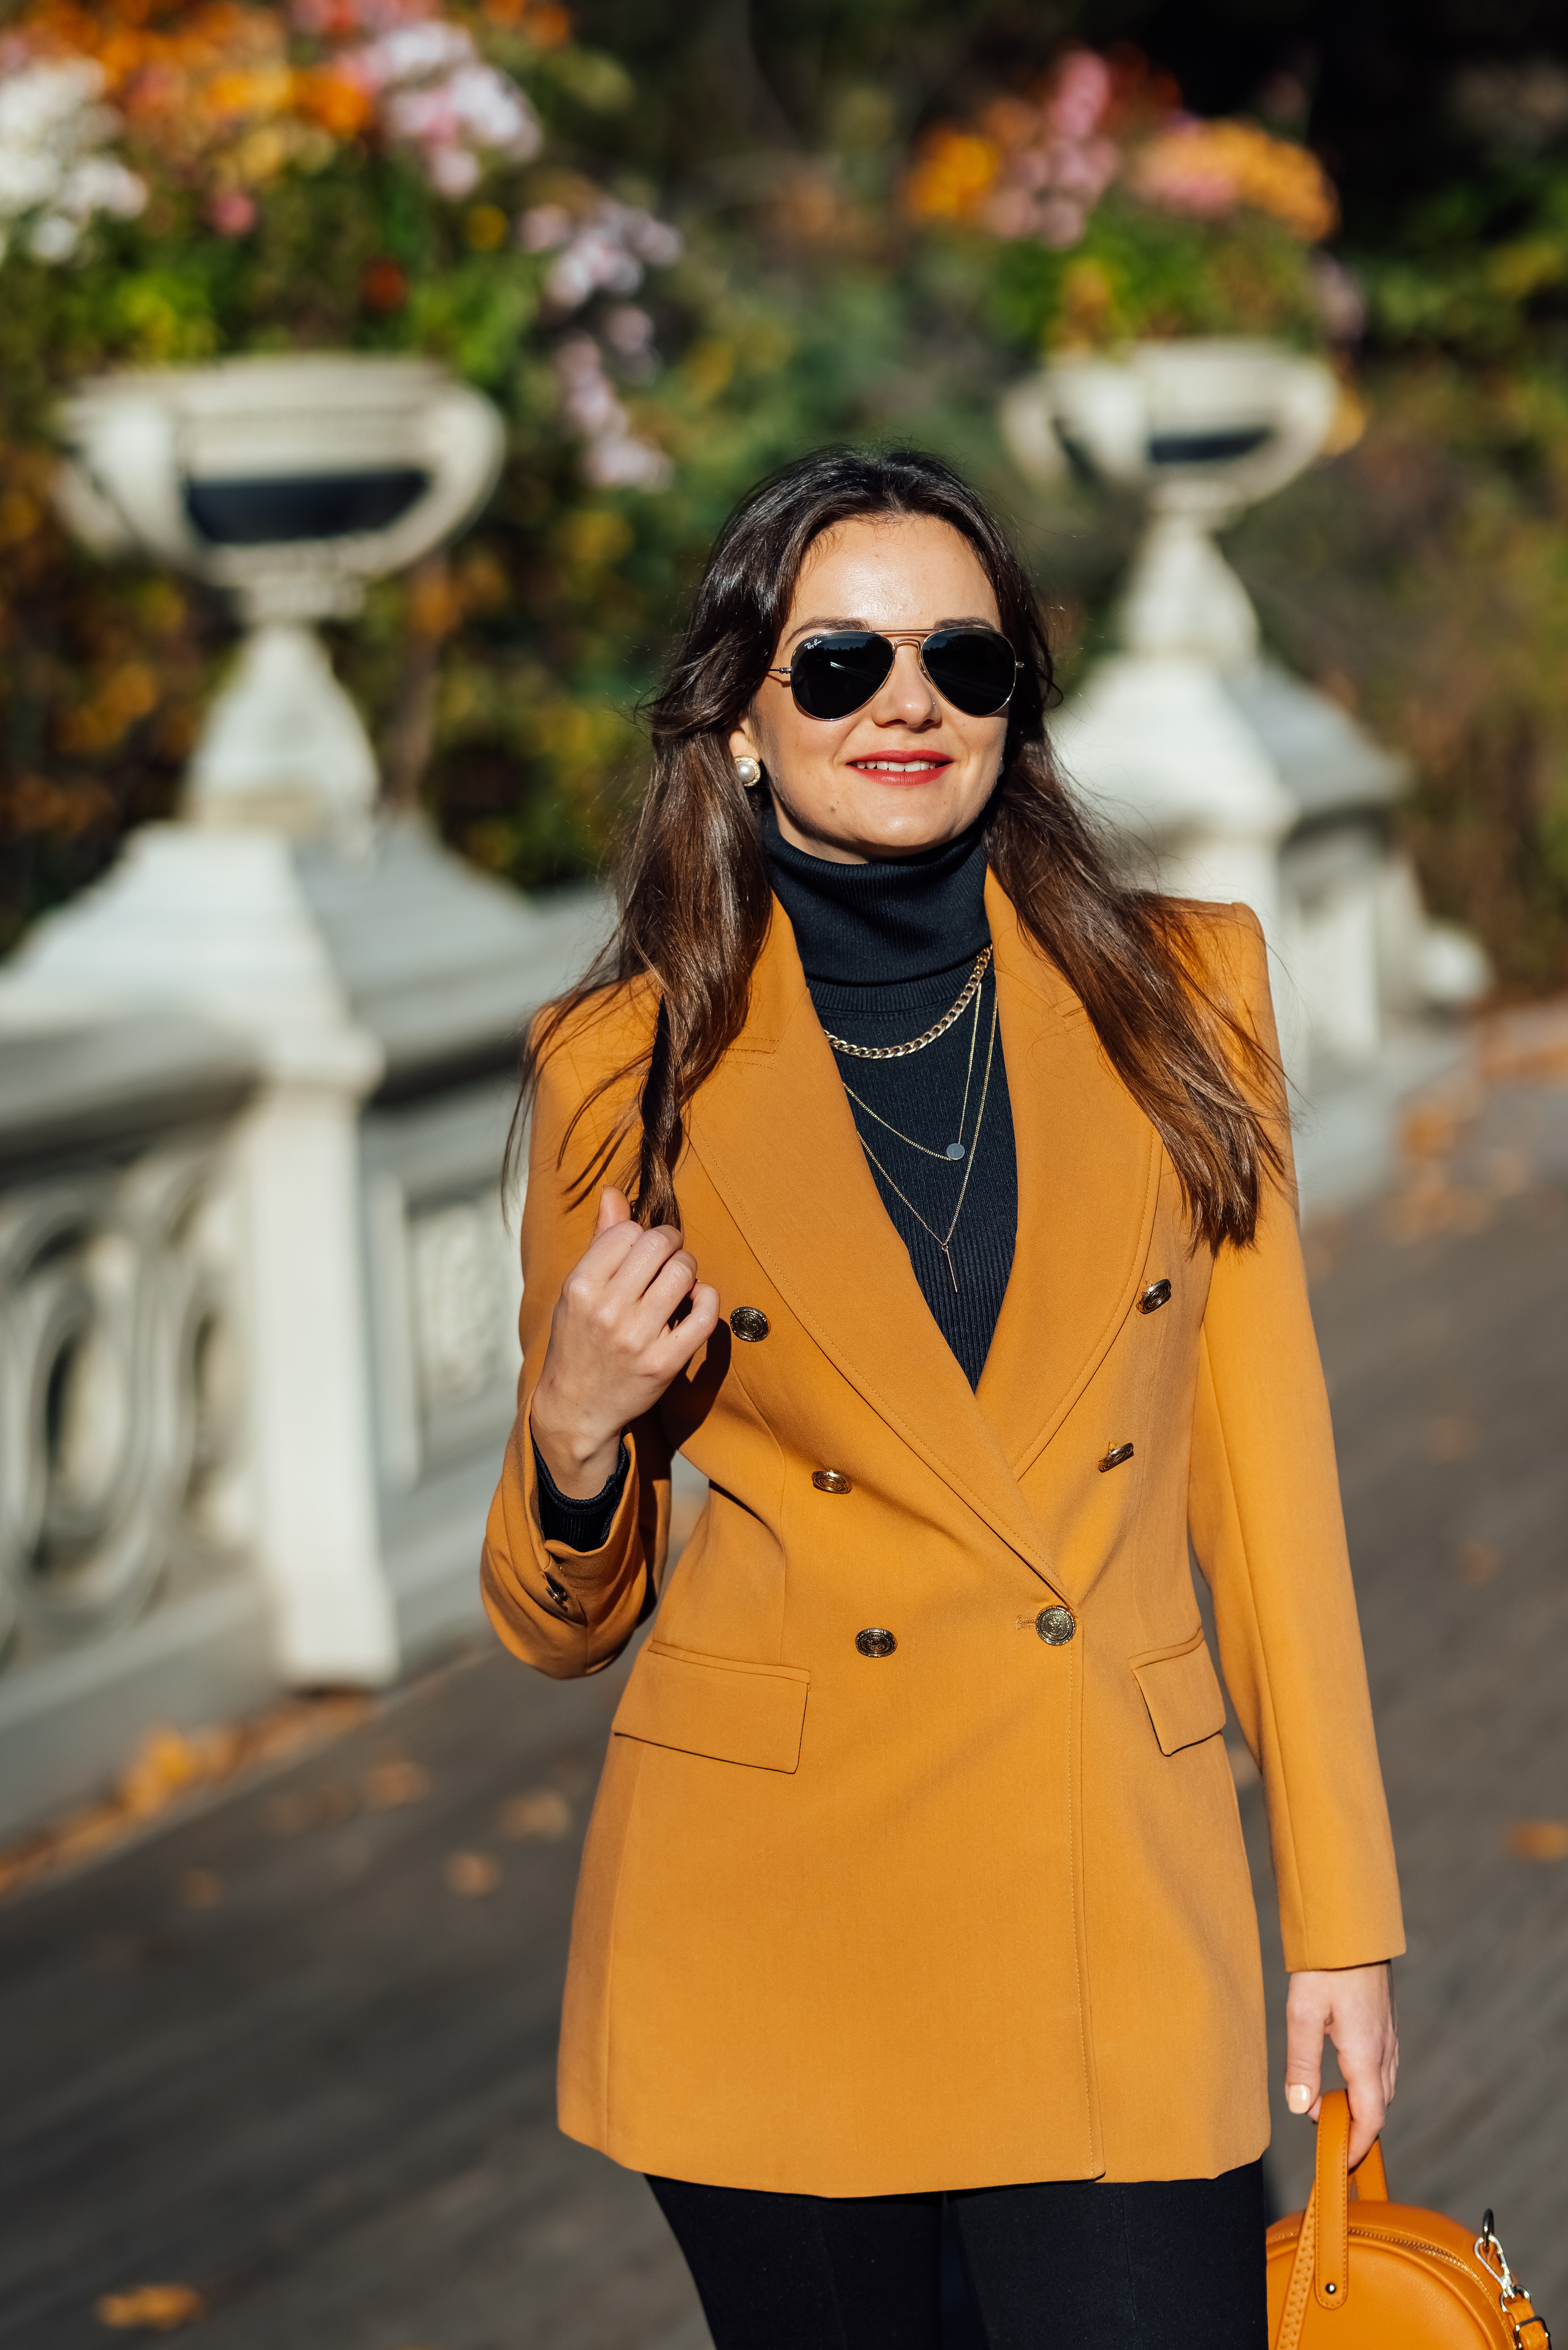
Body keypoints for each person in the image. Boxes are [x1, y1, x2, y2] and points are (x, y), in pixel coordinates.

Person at [481, 448, 1402, 2350]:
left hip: (1111, 1896)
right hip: (780, 1915)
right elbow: (560, 1621)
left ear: (1014, 710)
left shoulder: (1185, 998)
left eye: (963, 665)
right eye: (838, 665)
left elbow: (1268, 1486)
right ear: (741, 716)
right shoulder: (622, 1071)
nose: (907, 703)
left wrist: (1342, 1917)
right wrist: (574, 1431)